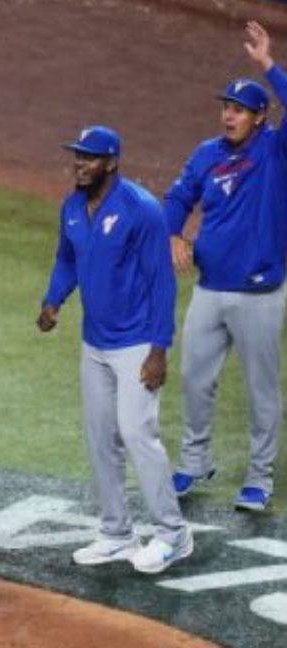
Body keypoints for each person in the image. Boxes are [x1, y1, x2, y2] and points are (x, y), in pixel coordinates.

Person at [40, 126, 192, 574]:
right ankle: (117, 533)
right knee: (101, 437)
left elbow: (162, 282)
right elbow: (67, 258)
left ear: (111, 162)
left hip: (137, 343)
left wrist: (159, 349)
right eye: (77, 155)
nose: (80, 163)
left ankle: (173, 534)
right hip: (95, 343)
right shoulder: (72, 206)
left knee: (137, 433)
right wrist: (53, 299)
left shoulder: (141, 209)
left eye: (89, 157)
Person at [166, 21, 287, 512]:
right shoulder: (207, 154)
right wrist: (174, 233)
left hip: (260, 293)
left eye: (239, 109)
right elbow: (177, 197)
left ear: (259, 117)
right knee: (194, 378)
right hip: (210, 288)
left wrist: (268, 64)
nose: (229, 115)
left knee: (260, 390)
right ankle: (195, 460)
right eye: (226, 107)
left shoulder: (274, 150)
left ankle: (259, 477)